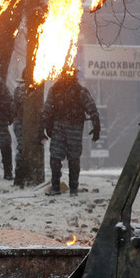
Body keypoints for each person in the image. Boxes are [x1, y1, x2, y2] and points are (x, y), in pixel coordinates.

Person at [41, 68, 100, 196]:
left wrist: (96, 125)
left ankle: (67, 188)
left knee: (67, 158)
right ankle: (63, 188)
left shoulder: (77, 91)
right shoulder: (60, 90)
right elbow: (47, 110)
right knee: (59, 158)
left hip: (70, 127)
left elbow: (92, 109)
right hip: (62, 127)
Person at [11, 72, 27, 186]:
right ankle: (19, 178)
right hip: (21, 122)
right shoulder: (21, 90)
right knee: (22, 149)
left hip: (23, 122)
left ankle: (20, 177)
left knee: (22, 149)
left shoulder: (21, 89)